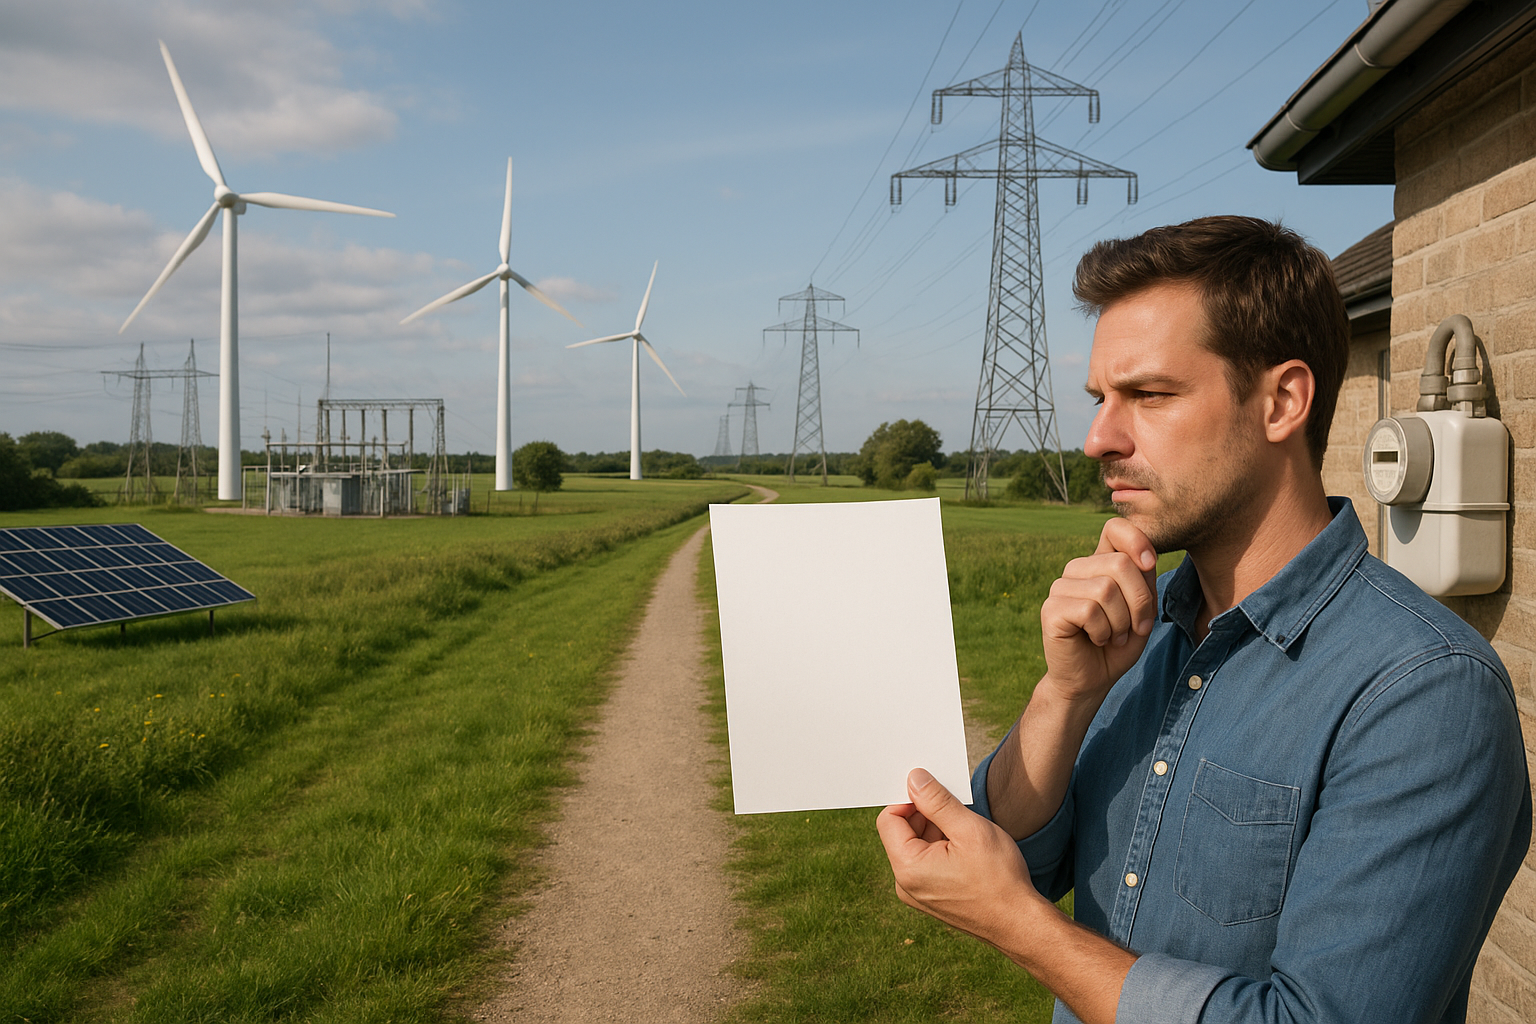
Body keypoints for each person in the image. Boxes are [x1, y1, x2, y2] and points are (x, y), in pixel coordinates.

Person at [876, 216, 1531, 1024]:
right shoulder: (1140, 633)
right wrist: (1066, 695)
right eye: (1099, 399)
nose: (1095, 439)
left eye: (1148, 395)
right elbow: (1018, 857)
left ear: (1283, 401)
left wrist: (1021, 927)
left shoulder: (1424, 695)